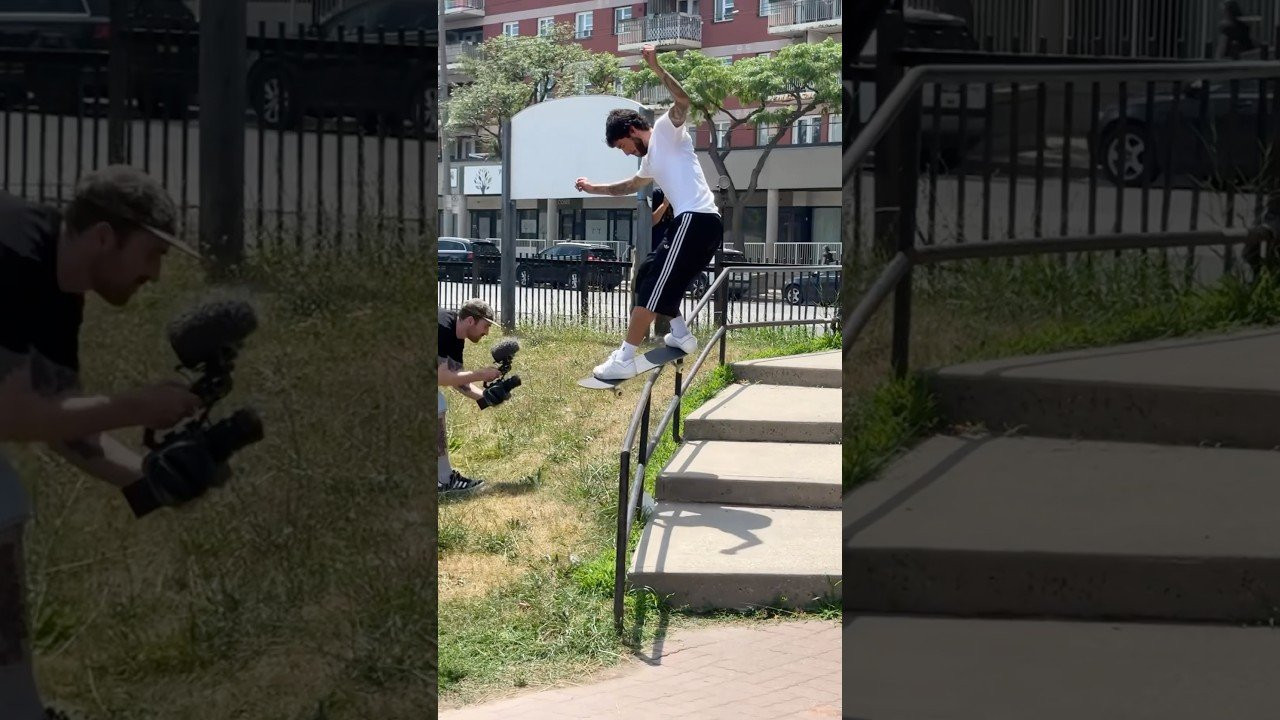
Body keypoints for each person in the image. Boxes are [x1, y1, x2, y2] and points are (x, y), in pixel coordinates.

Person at [0, 165, 204, 719]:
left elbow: (62, 424)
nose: (156, 275)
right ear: (104, 237)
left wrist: (151, 481)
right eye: (152, 254)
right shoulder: (12, 253)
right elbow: (13, 416)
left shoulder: (59, 288)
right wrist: (137, 406)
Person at [574, 44, 723, 380]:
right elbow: (629, 185)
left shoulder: (666, 133)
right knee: (648, 274)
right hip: (696, 225)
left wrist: (656, 67)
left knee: (653, 285)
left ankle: (625, 357)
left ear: (631, 131)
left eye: (623, 147)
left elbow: (682, 102)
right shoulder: (650, 160)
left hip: (696, 219)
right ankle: (681, 335)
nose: (626, 153)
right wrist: (593, 187)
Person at [437, 298, 501, 495]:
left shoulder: (457, 337)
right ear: (471, 321)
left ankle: (442, 479)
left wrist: (485, 397)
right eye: (486, 326)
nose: (487, 333)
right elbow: (442, 377)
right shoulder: (442, 327)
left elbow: (457, 380)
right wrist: (480, 374)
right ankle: (444, 480)